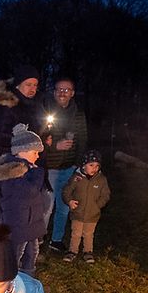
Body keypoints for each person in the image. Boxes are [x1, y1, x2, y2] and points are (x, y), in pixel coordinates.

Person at [0, 124, 51, 276]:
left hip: (30, 222)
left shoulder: (28, 168)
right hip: (18, 225)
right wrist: (38, 173)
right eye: (35, 152)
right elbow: (29, 191)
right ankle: (8, 280)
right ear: (22, 151)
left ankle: (28, 278)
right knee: (14, 254)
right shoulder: (12, 172)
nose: (38, 156)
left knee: (32, 252)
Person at [37, 77, 89, 251]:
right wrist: (54, 146)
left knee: (64, 205)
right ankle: (39, 237)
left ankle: (56, 240)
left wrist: (78, 165)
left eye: (66, 90)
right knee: (47, 205)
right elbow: (38, 138)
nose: (62, 93)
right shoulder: (46, 112)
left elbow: (82, 140)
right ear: (54, 92)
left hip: (69, 167)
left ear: (72, 93)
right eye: (59, 89)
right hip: (50, 167)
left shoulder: (78, 115)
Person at [60, 149, 111, 264]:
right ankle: (72, 251)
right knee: (76, 233)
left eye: (97, 166)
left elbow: (105, 195)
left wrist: (98, 206)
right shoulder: (77, 178)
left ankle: (88, 252)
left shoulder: (101, 180)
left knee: (88, 234)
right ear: (83, 166)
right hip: (77, 213)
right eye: (91, 165)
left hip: (93, 215)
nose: (95, 168)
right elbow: (66, 191)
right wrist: (69, 201)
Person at [0, 66, 42, 162]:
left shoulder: (35, 105)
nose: (32, 88)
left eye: (35, 85)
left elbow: (35, 133)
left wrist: (44, 138)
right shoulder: (7, 105)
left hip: (30, 162)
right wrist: (27, 143)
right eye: (28, 84)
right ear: (17, 85)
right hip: (10, 164)